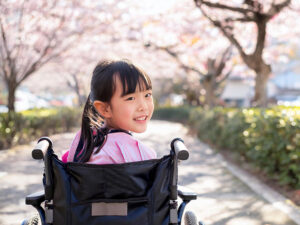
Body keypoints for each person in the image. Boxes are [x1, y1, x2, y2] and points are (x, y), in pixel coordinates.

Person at [63, 59, 156, 164]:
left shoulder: (84, 140)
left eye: (147, 95)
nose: (143, 107)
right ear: (105, 109)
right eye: (130, 98)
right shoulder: (143, 155)